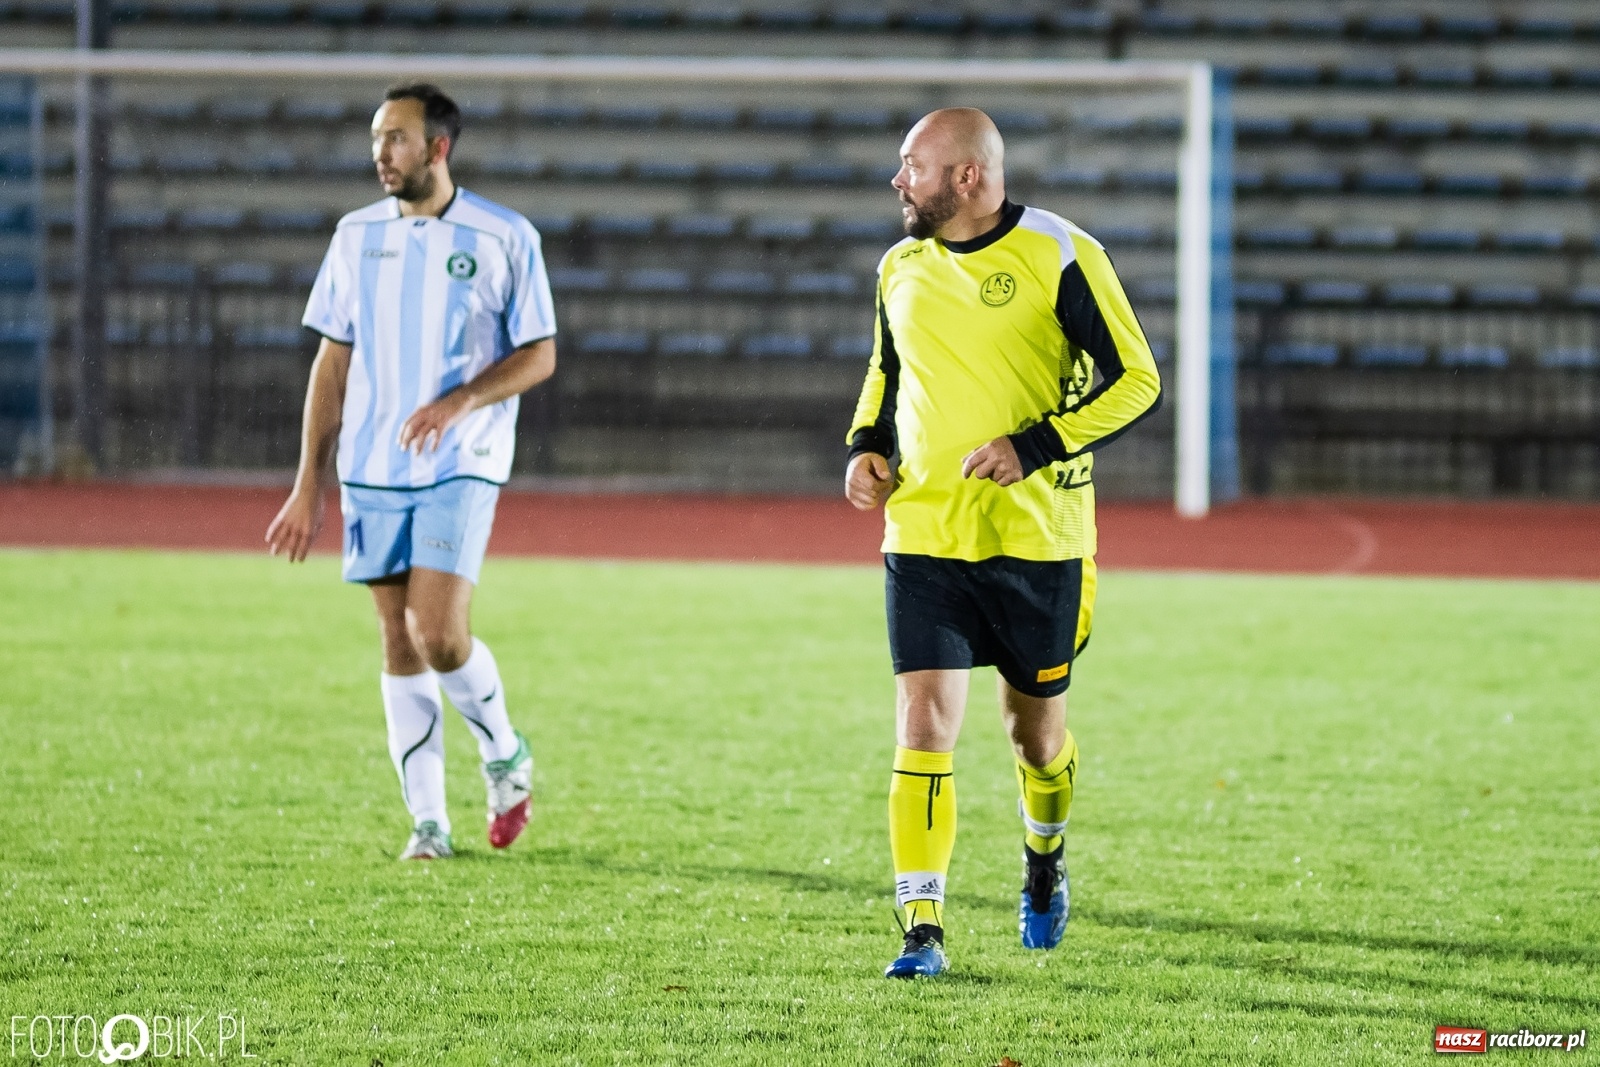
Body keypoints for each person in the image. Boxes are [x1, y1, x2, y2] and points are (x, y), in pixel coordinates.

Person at [845, 107, 1162, 977]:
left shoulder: (1061, 253)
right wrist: (866, 448)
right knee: (923, 720)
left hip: (1039, 540)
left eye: (911, 164)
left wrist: (1037, 444)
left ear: (967, 179)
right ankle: (921, 928)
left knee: (1035, 737)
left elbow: (1138, 381)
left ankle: (1044, 861)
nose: (898, 180)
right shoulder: (898, 266)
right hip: (924, 532)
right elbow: (887, 371)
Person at [266, 83, 558, 861]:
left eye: (395, 138)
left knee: (438, 631)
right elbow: (332, 363)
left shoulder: (503, 235)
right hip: (370, 465)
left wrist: (460, 401)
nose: (380, 153)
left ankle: (504, 752)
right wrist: (307, 484)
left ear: (438, 147)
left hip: (461, 460)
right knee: (397, 639)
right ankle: (428, 822)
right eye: (375, 138)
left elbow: (539, 352)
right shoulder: (354, 236)